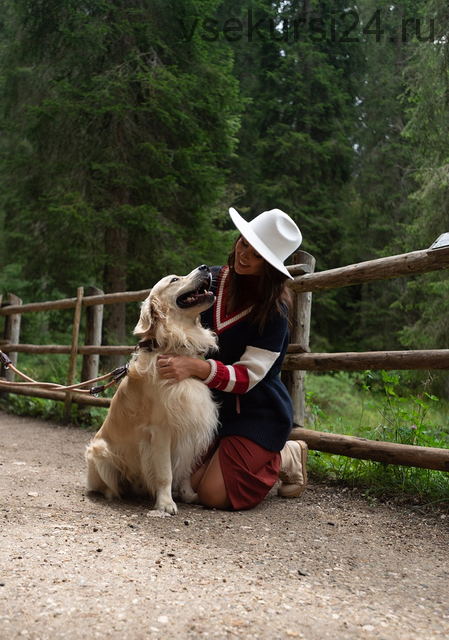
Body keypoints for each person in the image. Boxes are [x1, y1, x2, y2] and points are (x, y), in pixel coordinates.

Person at [157, 207, 308, 511]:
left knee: (212, 495)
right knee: (186, 483)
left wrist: (196, 367)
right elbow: (172, 316)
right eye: (244, 243)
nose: (244, 254)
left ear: (272, 266)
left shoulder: (275, 311)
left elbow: (247, 378)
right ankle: (230, 454)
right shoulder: (210, 280)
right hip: (211, 409)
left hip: (256, 412)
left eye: (257, 254)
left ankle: (286, 455)